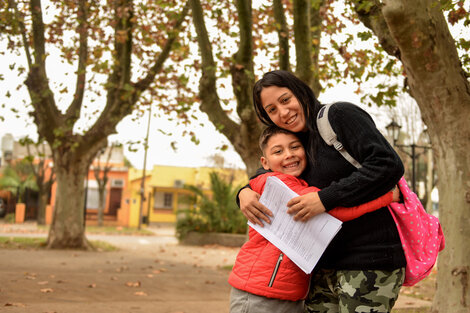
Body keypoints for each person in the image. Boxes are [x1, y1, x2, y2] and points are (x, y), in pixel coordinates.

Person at [239, 70, 406, 313]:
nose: (283, 112)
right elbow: (269, 172)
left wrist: (324, 199)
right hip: (321, 267)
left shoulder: (339, 116)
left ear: (300, 91)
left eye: (285, 100)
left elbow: (388, 164)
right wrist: (244, 192)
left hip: (369, 261)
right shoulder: (296, 140)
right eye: (271, 110)